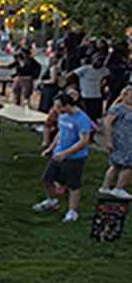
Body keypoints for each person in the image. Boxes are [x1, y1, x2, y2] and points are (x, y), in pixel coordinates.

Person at [33, 92, 93, 223]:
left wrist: (65, 153)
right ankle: (52, 201)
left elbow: (84, 141)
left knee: (73, 186)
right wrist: (51, 148)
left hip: (75, 158)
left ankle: (72, 212)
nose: (57, 110)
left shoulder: (82, 119)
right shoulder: (63, 115)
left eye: (59, 107)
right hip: (58, 154)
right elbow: (61, 132)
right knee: (46, 180)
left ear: (68, 105)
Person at [99, 84, 132, 200]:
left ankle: (106, 187)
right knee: (128, 164)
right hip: (121, 140)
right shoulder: (118, 108)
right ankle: (119, 187)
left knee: (117, 164)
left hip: (129, 141)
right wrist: (109, 140)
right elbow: (107, 123)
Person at [75, 54, 108, 124]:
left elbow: (107, 77)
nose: (99, 63)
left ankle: (93, 128)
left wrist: (102, 84)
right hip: (86, 95)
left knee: (96, 115)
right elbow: (71, 76)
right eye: (97, 60)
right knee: (88, 115)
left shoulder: (104, 70)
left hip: (97, 95)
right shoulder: (85, 69)